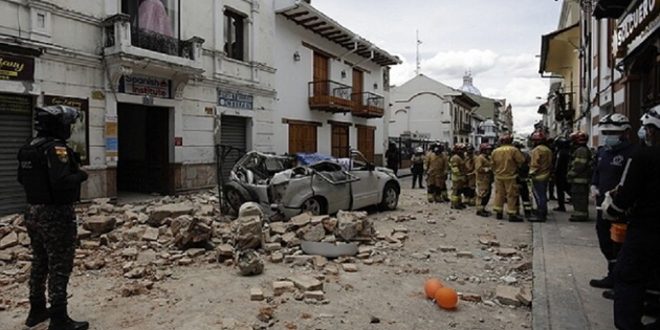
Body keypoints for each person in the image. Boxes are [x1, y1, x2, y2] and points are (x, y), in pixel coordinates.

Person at [17, 105, 89, 330]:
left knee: (40, 260)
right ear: (57, 126)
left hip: (32, 210)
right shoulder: (56, 149)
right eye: (66, 124)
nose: (68, 128)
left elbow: (21, 178)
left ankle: (36, 309)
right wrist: (80, 174)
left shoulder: (30, 146)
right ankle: (59, 318)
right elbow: (62, 181)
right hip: (55, 213)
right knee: (59, 264)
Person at [602, 106, 660, 330]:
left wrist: (613, 210)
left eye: (647, 128)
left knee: (628, 274)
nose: (645, 132)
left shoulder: (641, 155)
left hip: (646, 227)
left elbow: (626, 192)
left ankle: (629, 324)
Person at [588, 114, 637, 294]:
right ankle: (611, 275)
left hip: (621, 208)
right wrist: (594, 185)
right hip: (603, 206)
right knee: (605, 241)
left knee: (621, 245)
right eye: (606, 132)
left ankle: (621, 282)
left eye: (613, 132)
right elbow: (597, 171)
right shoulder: (603, 152)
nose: (608, 135)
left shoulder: (632, 153)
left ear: (625, 133)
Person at [491, 134, 525, 222]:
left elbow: (492, 164)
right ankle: (512, 214)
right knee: (511, 195)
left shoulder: (495, 151)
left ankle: (499, 212)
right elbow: (521, 161)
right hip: (511, 176)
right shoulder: (514, 150)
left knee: (499, 194)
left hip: (498, 176)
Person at [567, 131, 592, 222]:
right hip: (580, 180)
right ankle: (579, 213)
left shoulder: (581, 150)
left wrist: (570, 174)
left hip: (580, 180)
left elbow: (579, 166)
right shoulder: (582, 149)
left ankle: (580, 215)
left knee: (579, 198)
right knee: (577, 198)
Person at [529, 131, 553, 222]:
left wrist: (530, 173)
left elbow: (535, 164)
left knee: (539, 196)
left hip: (538, 176)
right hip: (546, 174)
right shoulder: (548, 150)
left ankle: (541, 214)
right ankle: (543, 211)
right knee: (543, 195)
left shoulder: (537, 150)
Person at [515, 142, 534, 220]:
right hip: (524, 178)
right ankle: (528, 212)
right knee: (525, 196)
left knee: (515, 196)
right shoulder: (525, 155)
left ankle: (516, 212)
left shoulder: (512, 155)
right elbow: (530, 164)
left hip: (515, 178)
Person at [475, 143, 494, 217]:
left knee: (487, 194)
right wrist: (488, 169)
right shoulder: (480, 158)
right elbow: (478, 168)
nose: (489, 151)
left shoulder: (487, 158)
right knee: (482, 194)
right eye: (487, 150)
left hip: (487, 179)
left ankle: (483, 208)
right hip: (482, 179)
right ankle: (479, 210)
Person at [553, 136, 571, 212]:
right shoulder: (568, 151)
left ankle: (561, 206)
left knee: (560, 190)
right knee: (567, 189)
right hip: (566, 174)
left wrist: (554, 172)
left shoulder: (561, 153)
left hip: (561, 174)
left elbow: (558, 164)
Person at [449, 143, 468, 209]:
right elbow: (454, 168)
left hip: (461, 177)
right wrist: (460, 175)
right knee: (456, 191)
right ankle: (454, 204)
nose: (464, 151)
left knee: (460, 191)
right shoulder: (455, 158)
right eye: (462, 150)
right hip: (457, 178)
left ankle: (459, 202)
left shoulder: (461, 157)